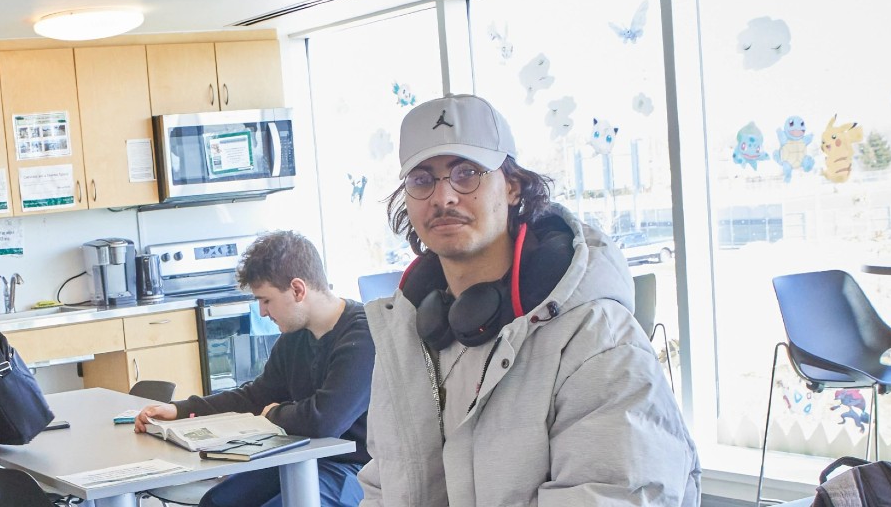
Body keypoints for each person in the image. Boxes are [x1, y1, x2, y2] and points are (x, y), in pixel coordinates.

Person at [359, 94, 699, 506]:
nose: (443, 197)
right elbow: (383, 486)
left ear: (513, 187)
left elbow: (614, 494)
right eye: (422, 179)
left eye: (466, 173)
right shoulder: (406, 338)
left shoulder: (595, 336)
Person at [137, 231, 375, 507]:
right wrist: (180, 410)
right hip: (301, 457)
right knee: (216, 502)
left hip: (356, 471)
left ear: (298, 290)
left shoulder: (363, 336)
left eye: (266, 300)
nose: (262, 312)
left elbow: (323, 420)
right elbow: (256, 395)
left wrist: (273, 414)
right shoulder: (295, 337)